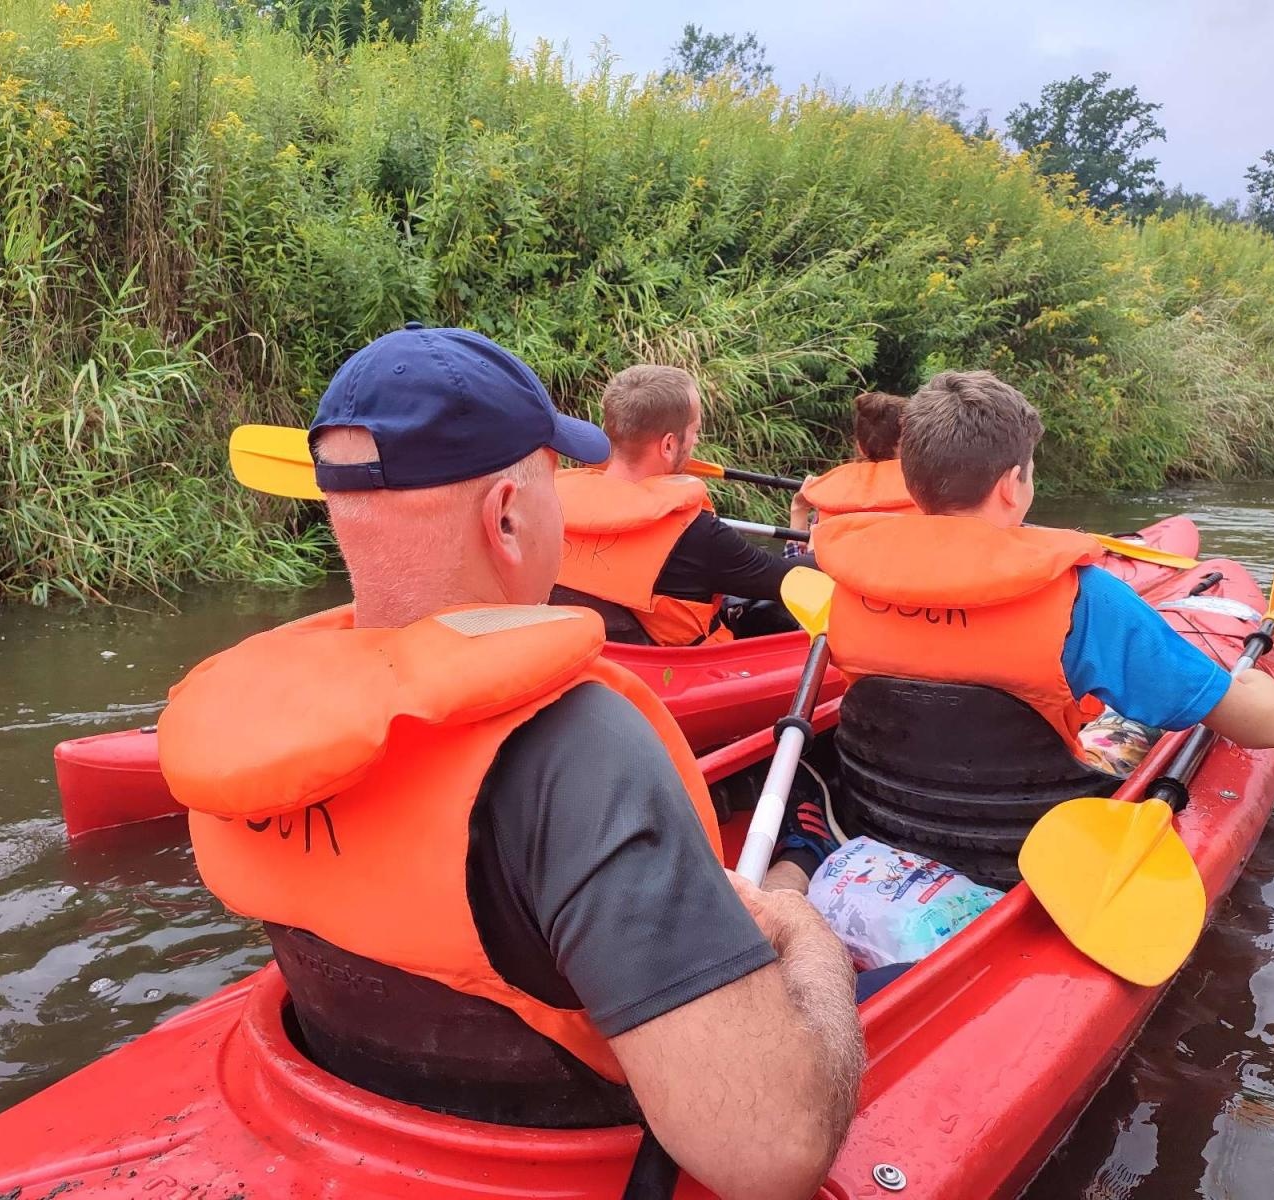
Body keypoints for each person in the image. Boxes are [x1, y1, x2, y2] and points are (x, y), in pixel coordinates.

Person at [158, 325, 864, 1200]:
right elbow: (771, 1157)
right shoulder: (582, 751)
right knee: (808, 913)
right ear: (506, 515)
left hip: (338, 1120)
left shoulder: (258, 720)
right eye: (552, 484)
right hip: (563, 1159)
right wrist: (805, 933)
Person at [810, 370, 1274, 776]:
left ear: (912, 484)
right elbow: (1265, 728)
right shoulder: (1084, 597)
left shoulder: (850, 585)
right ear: (1010, 485)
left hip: (897, 803)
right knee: (1132, 720)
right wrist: (1263, 688)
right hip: (1029, 827)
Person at [551, 364, 813, 646]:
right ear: (668, 446)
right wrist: (823, 538)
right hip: (680, 672)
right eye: (695, 430)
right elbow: (790, 579)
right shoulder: (698, 536)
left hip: (592, 651)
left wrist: (797, 518)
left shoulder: (551, 502)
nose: (697, 440)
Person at [789, 391, 918, 538]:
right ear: (913, 445)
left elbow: (796, 560)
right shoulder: (930, 493)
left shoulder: (833, 489)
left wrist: (798, 508)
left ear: (860, 448)